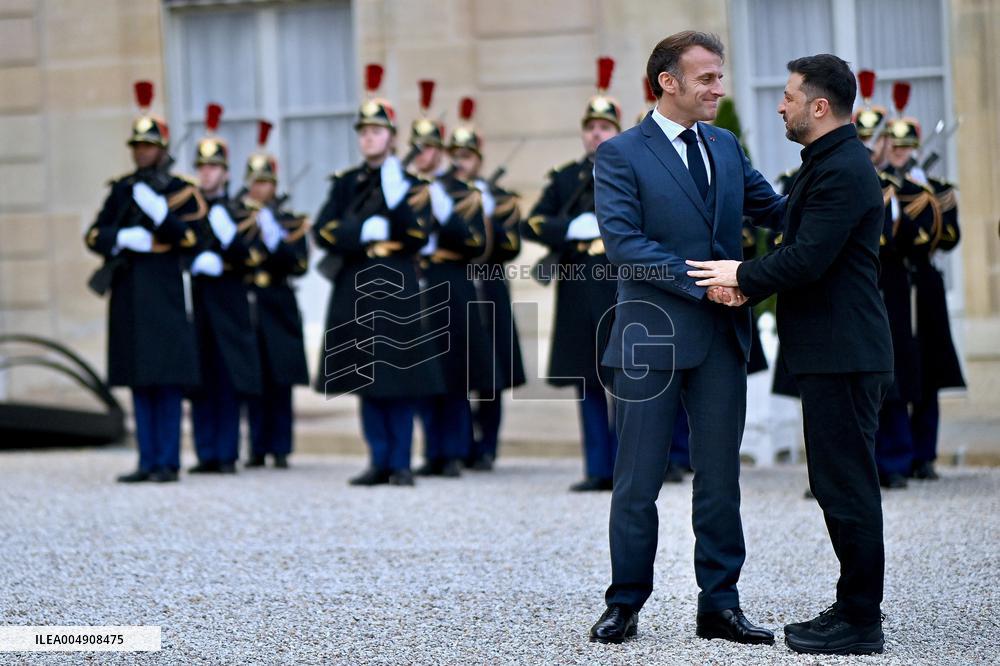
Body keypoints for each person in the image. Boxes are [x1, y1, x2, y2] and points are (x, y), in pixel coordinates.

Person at [687, 53, 894, 655]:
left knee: (846, 486)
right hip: (832, 351)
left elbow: (807, 258)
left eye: (789, 95)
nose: (781, 105)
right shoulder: (827, 163)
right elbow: (799, 244)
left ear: (819, 105)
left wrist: (741, 274)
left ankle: (860, 620)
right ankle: (854, 605)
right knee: (836, 484)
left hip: (845, 353)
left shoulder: (844, 169)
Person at [588, 32, 785, 645]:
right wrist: (709, 285)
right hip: (650, 337)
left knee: (721, 478)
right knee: (638, 481)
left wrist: (839, 179)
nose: (718, 89)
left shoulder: (726, 145)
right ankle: (624, 603)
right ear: (667, 82)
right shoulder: (620, 154)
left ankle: (719, 605)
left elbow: (775, 209)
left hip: (721, 340)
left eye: (720, 76)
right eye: (706, 78)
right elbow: (625, 245)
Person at [313, 64, 444, 487]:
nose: (369, 137)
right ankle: (379, 459)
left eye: (377, 131)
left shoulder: (409, 184)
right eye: (364, 131)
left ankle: (402, 461)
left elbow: (418, 233)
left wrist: (396, 200)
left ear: (392, 137)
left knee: (399, 375)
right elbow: (324, 229)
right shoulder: (346, 184)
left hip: (396, 284)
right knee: (365, 375)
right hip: (355, 283)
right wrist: (360, 232)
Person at [85, 81, 206, 483]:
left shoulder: (180, 191)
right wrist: (121, 237)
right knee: (139, 379)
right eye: (137, 146)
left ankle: (168, 461)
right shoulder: (122, 190)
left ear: (163, 149)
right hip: (130, 291)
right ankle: (147, 459)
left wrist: (159, 214)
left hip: (165, 291)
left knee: (167, 381)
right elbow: (94, 235)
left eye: (149, 145)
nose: (142, 152)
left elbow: (190, 237)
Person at [521, 57, 621, 492]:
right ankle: (597, 468)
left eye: (605, 126)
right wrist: (571, 228)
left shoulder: (631, 171)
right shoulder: (567, 179)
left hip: (621, 283)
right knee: (589, 381)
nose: (596, 133)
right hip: (580, 287)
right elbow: (534, 222)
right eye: (590, 126)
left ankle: (630, 469)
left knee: (631, 384)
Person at [413, 94, 493, 478]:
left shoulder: (462, 193)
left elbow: (475, 242)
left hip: (451, 279)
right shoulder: (407, 186)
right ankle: (431, 450)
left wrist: (445, 213)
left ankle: (456, 449)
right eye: (418, 148)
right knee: (425, 370)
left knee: (455, 369)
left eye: (429, 148)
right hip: (418, 280)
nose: (423, 155)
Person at [187, 103, 264, 475]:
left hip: (230, 302)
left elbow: (251, 255)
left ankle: (228, 452)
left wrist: (227, 244)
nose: (206, 174)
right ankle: (206, 453)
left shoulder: (238, 211)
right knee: (201, 379)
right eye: (201, 167)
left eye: (213, 167)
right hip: (200, 301)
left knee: (229, 379)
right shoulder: (189, 209)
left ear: (225, 172)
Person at [239, 121, 311, 469]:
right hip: (251, 300)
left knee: (281, 380)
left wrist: (274, 238)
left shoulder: (290, 222)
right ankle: (256, 446)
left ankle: (281, 447)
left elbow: (298, 263)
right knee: (254, 379)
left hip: (279, 302)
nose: (260, 188)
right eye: (255, 182)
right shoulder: (240, 219)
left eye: (265, 182)